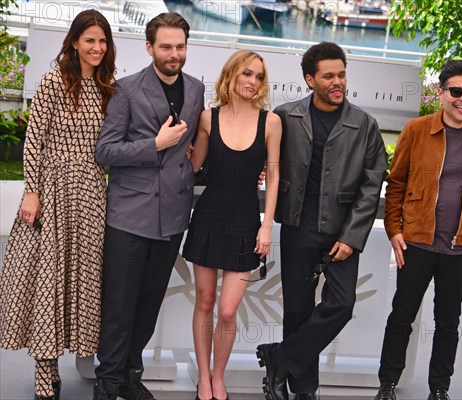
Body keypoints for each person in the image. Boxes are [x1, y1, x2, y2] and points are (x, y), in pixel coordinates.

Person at [256, 42, 387, 400]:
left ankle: (279, 358)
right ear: (309, 79)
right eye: (328, 76)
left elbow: (371, 184)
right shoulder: (285, 115)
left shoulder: (364, 125)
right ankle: (304, 390)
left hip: (342, 233)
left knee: (341, 305)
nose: (337, 82)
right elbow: (262, 155)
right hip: (297, 227)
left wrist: (352, 236)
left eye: (342, 74)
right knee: (297, 310)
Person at [374, 60, 462, 400]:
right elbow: (397, 184)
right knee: (401, 317)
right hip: (416, 244)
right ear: (441, 93)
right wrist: (394, 230)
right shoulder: (416, 130)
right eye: (456, 91)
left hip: (460, 249)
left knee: (448, 323)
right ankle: (387, 384)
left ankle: (439, 390)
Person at [0, 10, 116, 400]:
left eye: (102, 41)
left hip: (91, 193)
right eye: (90, 40)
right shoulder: (54, 81)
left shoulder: (108, 86)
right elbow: (33, 141)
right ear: (74, 42)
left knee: (80, 280)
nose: (97, 48)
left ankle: (78, 355)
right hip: (52, 188)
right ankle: (44, 370)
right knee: (47, 279)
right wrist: (30, 191)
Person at [92, 12, 205, 400]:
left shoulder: (196, 89)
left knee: (149, 305)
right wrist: (154, 145)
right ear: (149, 48)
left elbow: (192, 150)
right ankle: (107, 384)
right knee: (119, 309)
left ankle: (128, 376)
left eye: (180, 46)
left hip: (172, 217)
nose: (174, 54)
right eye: (166, 47)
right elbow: (105, 151)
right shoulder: (125, 90)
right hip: (129, 217)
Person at [182, 50, 282, 400]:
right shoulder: (207, 118)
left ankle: (218, 374)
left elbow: (273, 173)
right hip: (209, 216)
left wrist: (266, 225)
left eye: (258, 76)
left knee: (227, 310)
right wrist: (181, 146)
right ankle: (205, 380)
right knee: (206, 302)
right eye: (246, 74)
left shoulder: (270, 122)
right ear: (231, 76)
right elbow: (195, 166)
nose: (253, 82)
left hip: (245, 221)